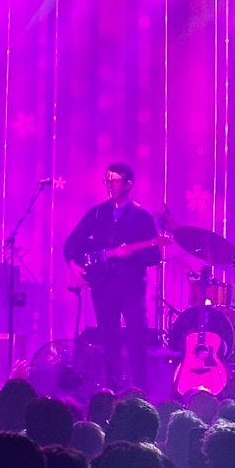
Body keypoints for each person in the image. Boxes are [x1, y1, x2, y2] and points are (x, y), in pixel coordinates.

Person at [64, 162, 161, 389]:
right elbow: (71, 243)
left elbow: (154, 255)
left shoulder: (142, 217)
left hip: (131, 288)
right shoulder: (98, 213)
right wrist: (73, 266)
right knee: (109, 341)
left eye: (114, 181)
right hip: (103, 286)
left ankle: (140, 392)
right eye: (107, 181)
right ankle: (111, 390)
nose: (109, 186)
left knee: (136, 340)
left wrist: (132, 255)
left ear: (128, 184)